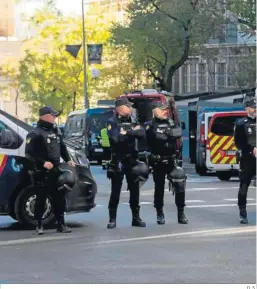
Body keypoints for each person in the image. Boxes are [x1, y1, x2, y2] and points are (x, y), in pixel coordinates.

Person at [25, 106, 76, 235]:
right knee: (41, 199)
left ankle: (61, 224)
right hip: (41, 173)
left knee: (59, 198)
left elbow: (62, 147)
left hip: (56, 170)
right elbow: (29, 154)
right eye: (52, 115)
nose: (54, 118)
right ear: (44, 116)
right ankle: (39, 225)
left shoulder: (56, 131)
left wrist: (68, 159)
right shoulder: (35, 133)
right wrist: (43, 163)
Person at [106, 98, 148, 229]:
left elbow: (142, 134)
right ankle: (112, 219)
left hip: (132, 160)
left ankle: (136, 218)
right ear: (120, 108)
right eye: (128, 107)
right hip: (118, 160)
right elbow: (116, 138)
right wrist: (132, 133)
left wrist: (127, 132)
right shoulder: (112, 122)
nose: (130, 109)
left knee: (135, 191)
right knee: (115, 191)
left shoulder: (133, 120)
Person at [145, 101, 188, 225]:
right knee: (159, 188)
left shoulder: (171, 122)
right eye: (162, 109)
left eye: (166, 109)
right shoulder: (150, 125)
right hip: (157, 161)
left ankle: (181, 212)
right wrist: (167, 134)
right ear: (155, 110)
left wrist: (168, 133)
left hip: (171, 159)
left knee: (180, 182)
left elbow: (178, 133)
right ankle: (159, 213)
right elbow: (153, 138)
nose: (165, 111)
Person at [234, 92, 256, 224]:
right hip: (248, 159)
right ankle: (243, 213)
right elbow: (238, 142)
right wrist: (251, 149)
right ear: (247, 109)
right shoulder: (241, 123)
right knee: (244, 186)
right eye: (253, 107)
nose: (255, 110)